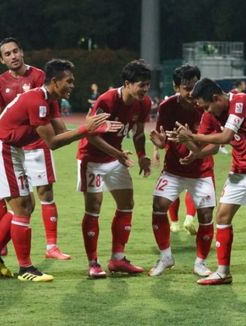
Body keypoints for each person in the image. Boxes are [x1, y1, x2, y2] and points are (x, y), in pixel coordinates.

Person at [0, 58, 122, 282]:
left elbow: (64, 132)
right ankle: (25, 268)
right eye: (69, 81)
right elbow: (53, 142)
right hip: (3, 150)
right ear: (55, 81)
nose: (72, 85)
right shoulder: (38, 101)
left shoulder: (49, 99)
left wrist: (93, 129)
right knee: (22, 207)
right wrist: (87, 129)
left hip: (12, 150)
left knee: (26, 205)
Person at [170, 78, 246, 287]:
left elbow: (225, 137)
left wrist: (193, 136)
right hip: (239, 170)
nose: (207, 112)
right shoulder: (209, 114)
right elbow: (209, 149)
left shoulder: (240, 101)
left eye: (207, 107)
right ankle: (223, 272)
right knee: (222, 215)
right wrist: (191, 148)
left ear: (215, 98)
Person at [0, 37, 72, 260]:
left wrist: (59, 130)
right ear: (2, 60)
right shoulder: (0, 81)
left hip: (37, 143)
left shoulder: (39, 76)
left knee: (44, 192)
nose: (13, 56)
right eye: (7, 54)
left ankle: (51, 247)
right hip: (10, 146)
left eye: (16, 51)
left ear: (22, 52)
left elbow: (49, 106)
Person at [77, 59, 152, 278]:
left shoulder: (143, 103)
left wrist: (142, 156)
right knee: (94, 207)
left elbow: (138, 133)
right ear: (128, 83)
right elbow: (90, 135)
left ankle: (117, 259)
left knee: (126, 204)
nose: (145, 89)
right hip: (91, 158)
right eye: (141, 84)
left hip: (115, 158)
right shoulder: (107, 100)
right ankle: (93, 263)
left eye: (147, 84)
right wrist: (117, 154)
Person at [148, 65, 218, 277]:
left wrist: (196, 153)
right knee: (158, 205)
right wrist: (159, 144)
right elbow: (162, 137)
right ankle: (166, 256)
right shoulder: (167, 107)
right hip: (174, 170)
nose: (191, 93)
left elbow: (214, 146)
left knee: (206, 215)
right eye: (186, 88)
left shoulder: (207, 107)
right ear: (176, 87)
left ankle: (200, 263)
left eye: (195, 86)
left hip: (202, 171)